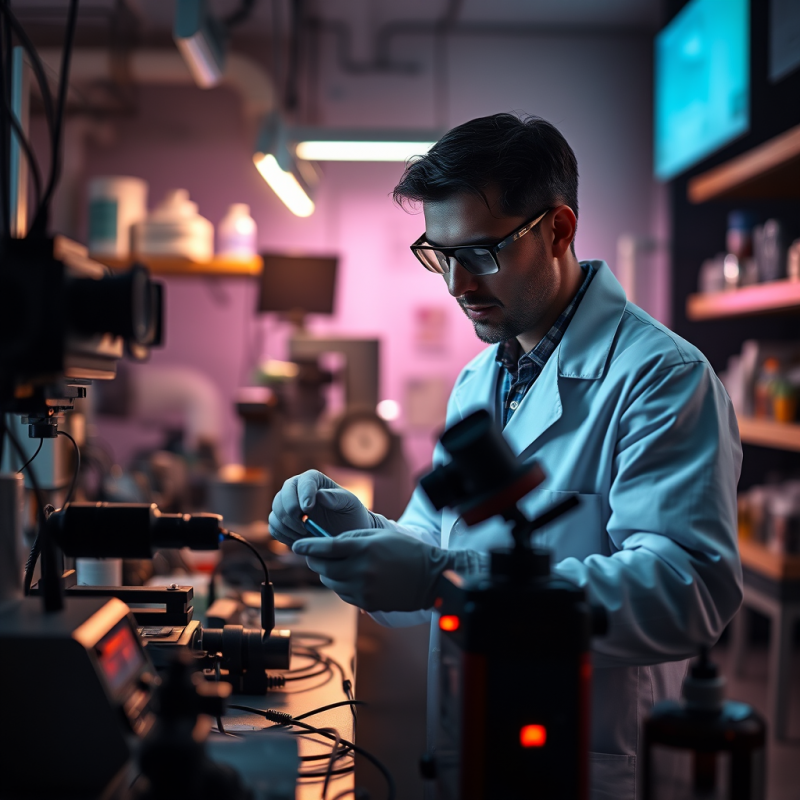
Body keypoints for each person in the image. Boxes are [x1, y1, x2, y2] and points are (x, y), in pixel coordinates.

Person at [269, 113, 743, 799]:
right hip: (476, 745)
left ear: (558, 230)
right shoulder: (479, 379)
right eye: (440, 253)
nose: (458, 284)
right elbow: (433, 544)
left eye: (482, 252)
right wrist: (361, 530)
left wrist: (444, 580)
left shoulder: (662, 377)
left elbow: (684, 593)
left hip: (590, 762)